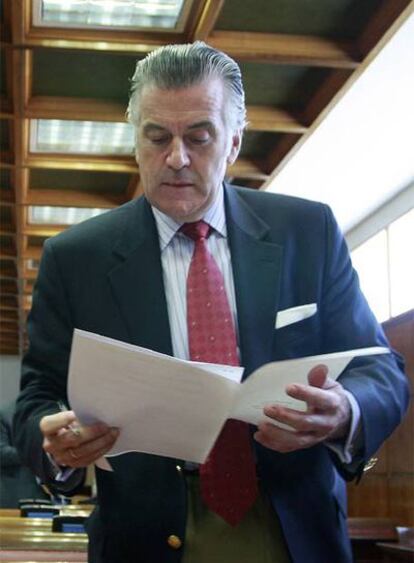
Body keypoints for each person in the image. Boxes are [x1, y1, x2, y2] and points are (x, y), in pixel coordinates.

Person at [13, 42, 409, 563]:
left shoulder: (306, 233)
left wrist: (344, 412)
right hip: (145, 533)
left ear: (234, 142)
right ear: (136, 141)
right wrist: (55, 440)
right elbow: (36, 398)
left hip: (292, 526)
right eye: (157, 137)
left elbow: (382, 372)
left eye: (199, 137)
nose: (176, 158)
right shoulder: (76, 258)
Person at [0, 400, 50, 507]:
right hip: (18, 495)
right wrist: (35, 451)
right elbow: (1, 453)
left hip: (53, 494)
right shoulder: (5, 415)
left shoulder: (56, 411)